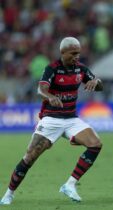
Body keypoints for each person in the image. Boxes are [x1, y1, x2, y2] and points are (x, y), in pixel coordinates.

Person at [0, 37, 103, 205]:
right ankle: (9, 194)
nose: (77, 57)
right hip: (51, 119)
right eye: (73, 53)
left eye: (79, 53)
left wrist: (95, 81)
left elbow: (99, 87)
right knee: (29, 157)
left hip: (71, 119)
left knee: (95, 144)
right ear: (63, 53)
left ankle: (70, 184)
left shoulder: (81, 69)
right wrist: (50, 97)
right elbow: (41, 89)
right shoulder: (52, 68)